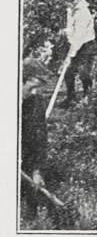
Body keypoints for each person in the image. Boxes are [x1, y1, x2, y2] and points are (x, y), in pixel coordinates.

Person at [21, 58, 52, 216]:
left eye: (38, 88)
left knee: (31, 201)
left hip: (27, 156)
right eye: (31, 88)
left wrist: (37, 170)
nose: (35, 93)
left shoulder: (37, 102)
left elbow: (40, 138)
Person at [59, 0, 96, 108]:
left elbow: (79, 36)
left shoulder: (83, 13)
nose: (68, 4)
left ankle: (87, 96)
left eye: (70, 1)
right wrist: (66, 31)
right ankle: (70, 98)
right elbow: (71, 28)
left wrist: (71, 54)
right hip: (74, 42)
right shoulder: (71, 9)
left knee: (83, 72)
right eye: (67, 1)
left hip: (85, 45)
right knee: (68, 72)